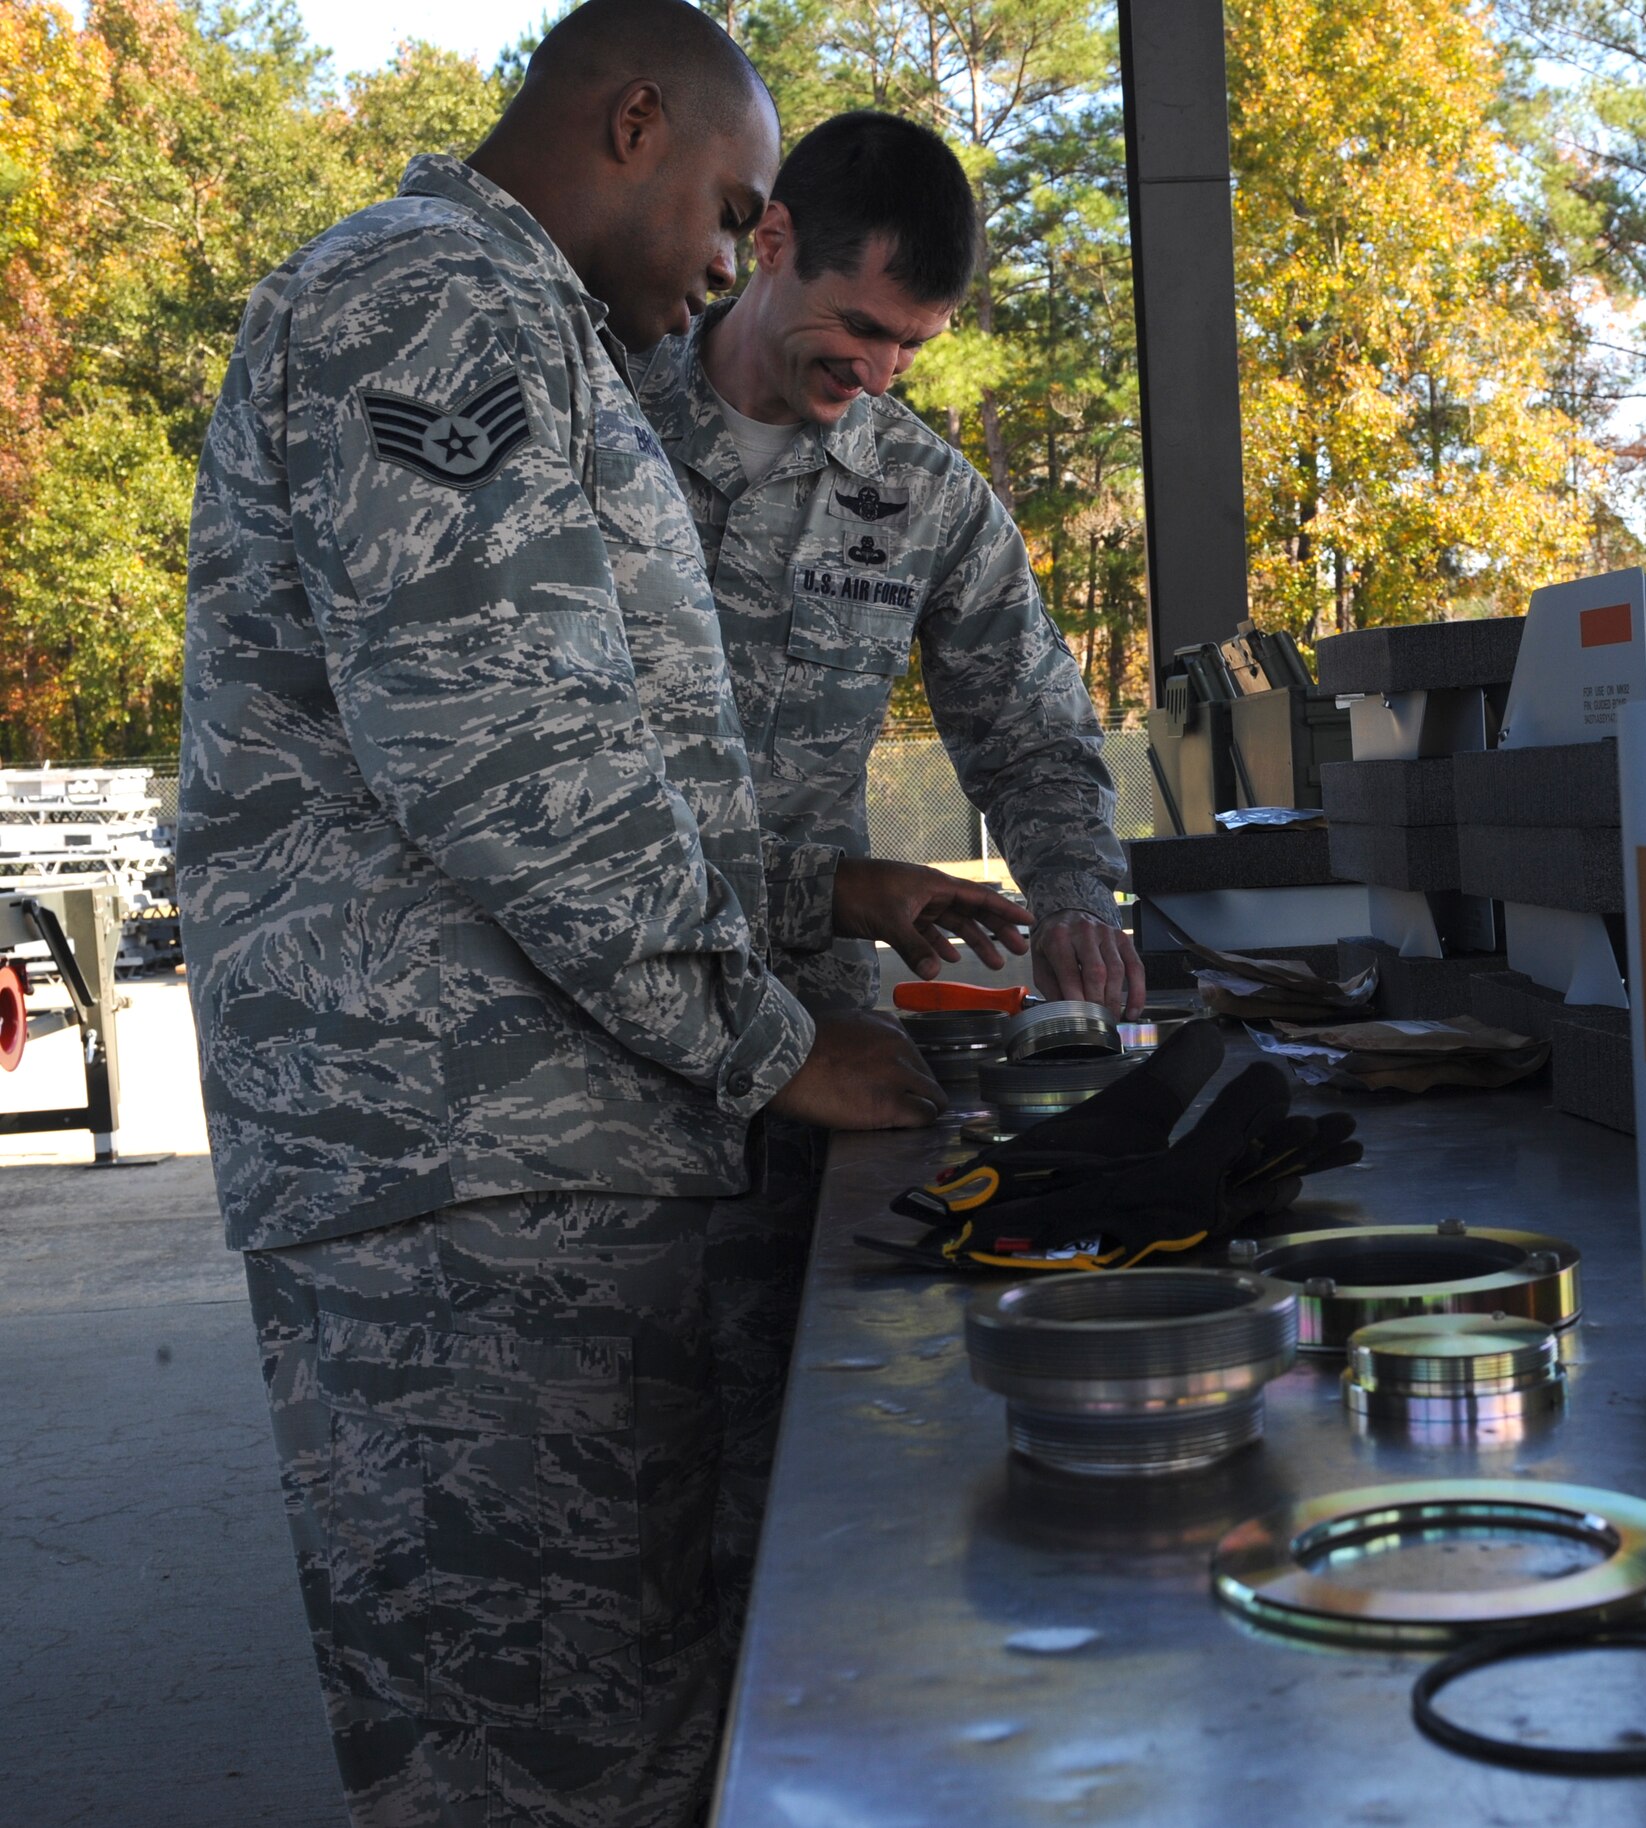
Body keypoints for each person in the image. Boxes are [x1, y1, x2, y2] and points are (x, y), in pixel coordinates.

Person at [177, 6, 1019, 1823]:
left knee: (636, 1721)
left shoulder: (530, 329)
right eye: (730, 206)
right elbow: (510, 769)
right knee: (525, 1763)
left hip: (545, 1154)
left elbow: (605, 783)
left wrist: (822, 899)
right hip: (455, 1178)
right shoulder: (430, 300)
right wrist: (775, 1044)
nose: (735, 253)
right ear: (634, 121)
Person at [632, 110, 1146, 1619]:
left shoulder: (914, 487)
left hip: (813, 1043)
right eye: (857, 330)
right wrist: (844, 887)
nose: (875, 376)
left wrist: (1076, 896)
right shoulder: (605, 431)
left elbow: (1035, 725)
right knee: (614, 1511)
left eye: (912, 349)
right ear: (769, 241)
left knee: (800, 1481)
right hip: (599, 1041)